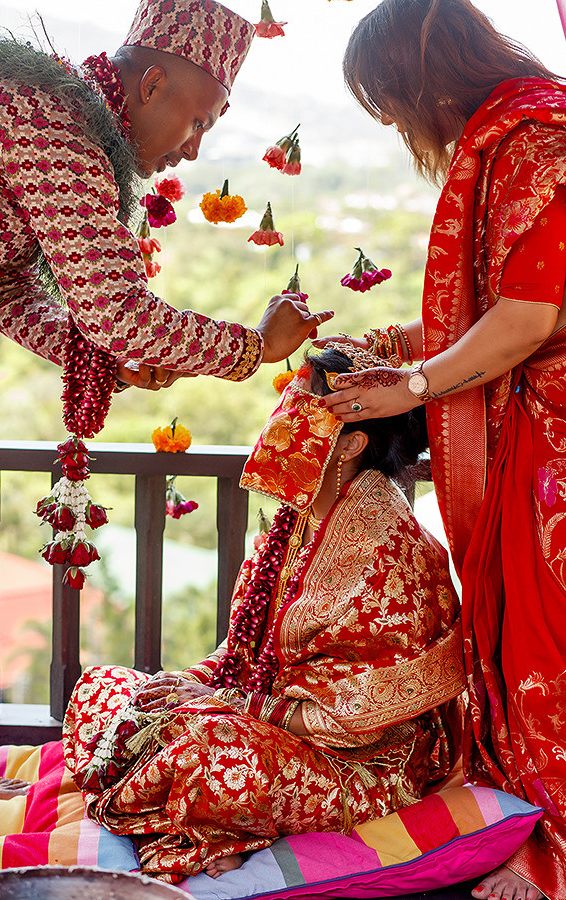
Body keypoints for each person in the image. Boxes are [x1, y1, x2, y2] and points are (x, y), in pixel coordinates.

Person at [317, 1, 566, 897]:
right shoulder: (526, 129)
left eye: (385, 95)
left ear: (422, 77)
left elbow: (532, 316)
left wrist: (416, 385)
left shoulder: (531, 138)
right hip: (537, 426)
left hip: (554, 443)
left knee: (549, 636)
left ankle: (554, 850)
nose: (390, 118)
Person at [62, 345, 465, 883]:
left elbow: (359, 718)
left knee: (204, 749)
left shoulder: (388, 549)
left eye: (302, 402)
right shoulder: (297, 518)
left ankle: (201, 820)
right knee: (106, 687)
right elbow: (243, 651)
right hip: (260, 716)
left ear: (351, 442)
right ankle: (195, 816)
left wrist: (228, 704)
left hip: (356, 758)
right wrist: (189, 684)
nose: (281, 414)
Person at [0, 0, 332, 396]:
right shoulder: (53, 126)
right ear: (152, 85)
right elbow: (118, 314)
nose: (193, 151)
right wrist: (259, 345)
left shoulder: (58, 115)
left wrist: (112, 356)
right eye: (197, 123)